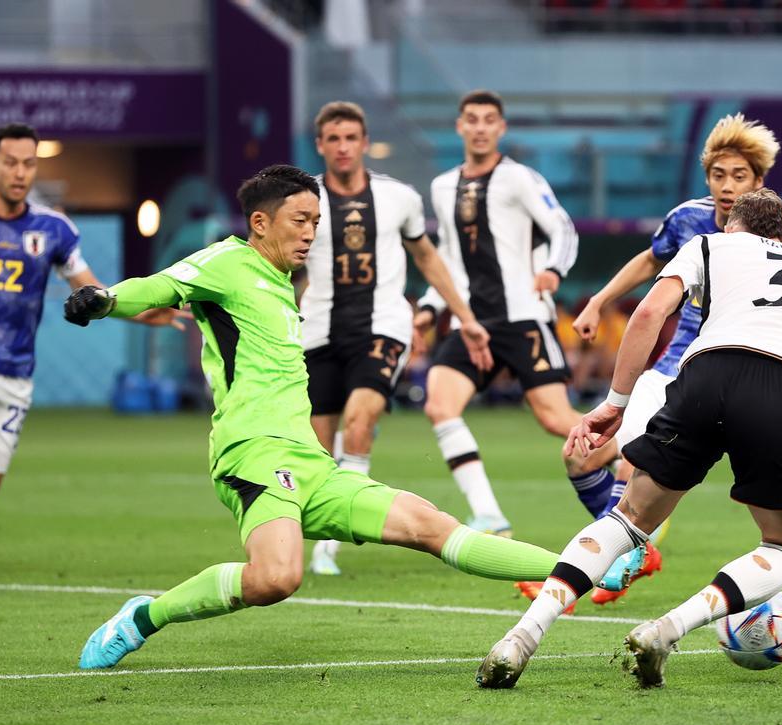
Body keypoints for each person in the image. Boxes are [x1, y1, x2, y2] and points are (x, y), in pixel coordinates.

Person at [63, 164, 561, 670]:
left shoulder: (285, 284)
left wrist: (586, 568)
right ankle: (142, 618)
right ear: (260, 222)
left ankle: (583, 566)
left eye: (316, 222)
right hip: (253, 452)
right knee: (277, 578)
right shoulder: (228, 263)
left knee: (431, 525)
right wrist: (104, 300)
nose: (311, 233)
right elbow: (159, 288)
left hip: (312, 466)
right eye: (300, 220)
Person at [474, 188, 782, 689]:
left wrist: (614, 403)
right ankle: (666, 630)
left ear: (733, 227)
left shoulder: (709, 245)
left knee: (628, 519)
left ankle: (520, 638)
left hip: (701, 380)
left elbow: (649, 314)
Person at [555, 113, 782, 604]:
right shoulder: (688, 220)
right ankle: (634, 549)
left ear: (759, 182)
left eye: (739, 176)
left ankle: (616, 558)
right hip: (676, 365)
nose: (726, 186)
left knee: (625, 464)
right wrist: (598, 299)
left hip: (737, 374)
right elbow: (649, 259)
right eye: (718, 175)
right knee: (582, 456)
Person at [0, 123, 184, 572]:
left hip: (15, 371)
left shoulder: (54, 229)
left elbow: (89, 288)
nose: (20, 173)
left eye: (29, 164)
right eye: (11, 163)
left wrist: (140, 311)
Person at [300, 101, 493, 576]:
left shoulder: (398, 198)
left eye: (351, 138)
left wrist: (464, 316)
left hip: (383, 325)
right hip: (319, 328)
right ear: (320, 144)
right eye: (333, 139)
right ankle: (328, 526)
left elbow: (427, 258)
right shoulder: (303, 201)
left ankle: (331, 545)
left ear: (365, 144)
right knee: (318, 447)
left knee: (360, 418)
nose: (343, 147)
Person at [415, 89, 580, 536]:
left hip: (524, 317)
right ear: (460, 126)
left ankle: (636, 463)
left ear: (501, 128)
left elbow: (561, 226)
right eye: (472, 119)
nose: (481, 127)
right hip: (472, 322)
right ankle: (489, 515)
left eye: (490, 119)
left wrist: (552, 270)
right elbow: (447, 255)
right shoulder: (442, 186)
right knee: (439, 403)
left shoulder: (520, 178)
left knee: (557, 421)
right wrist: (432, 307)